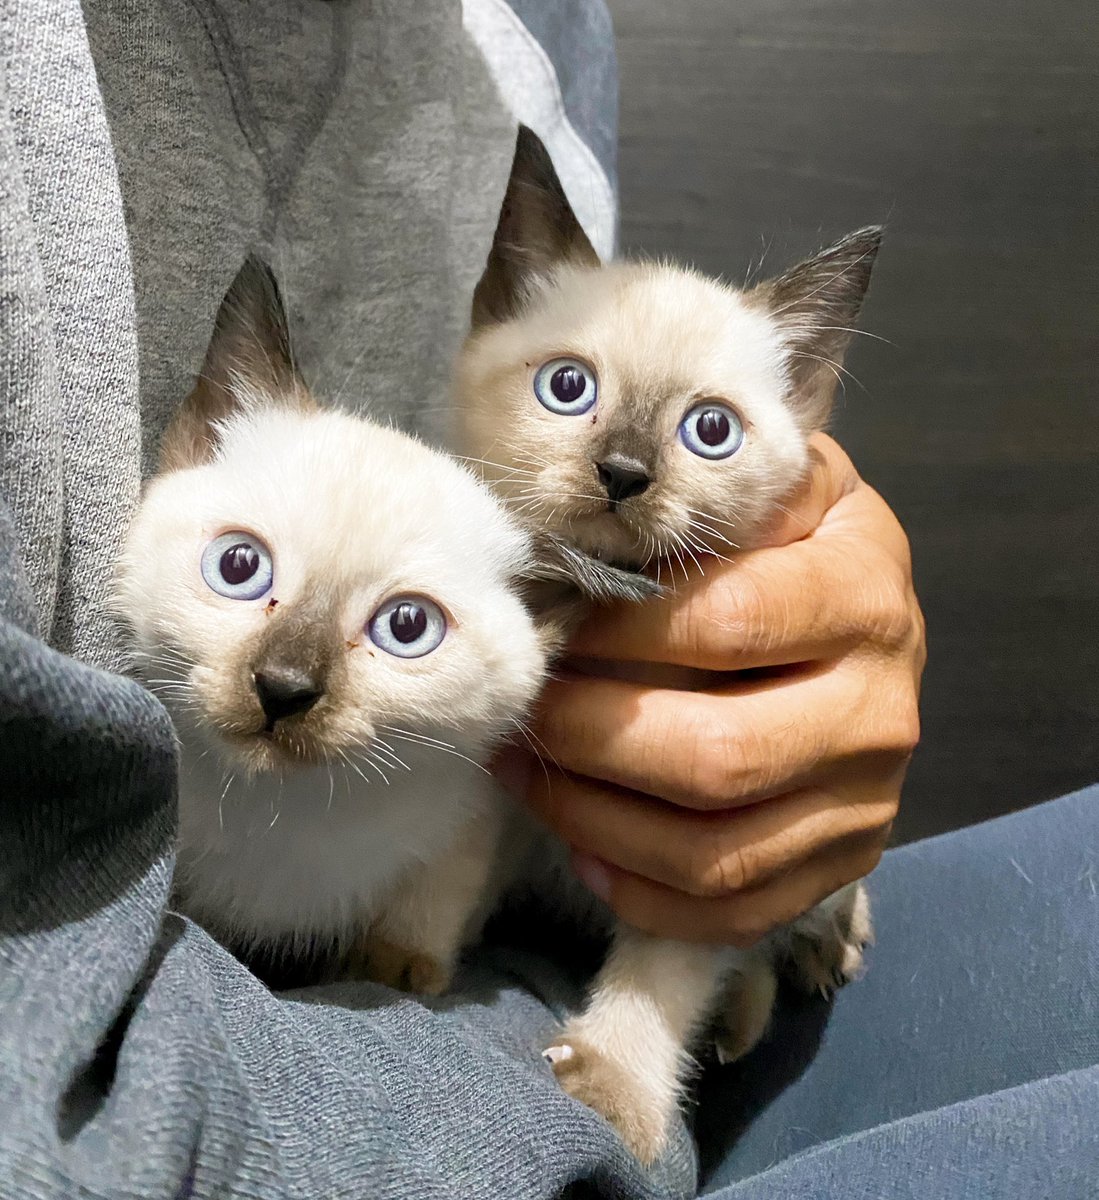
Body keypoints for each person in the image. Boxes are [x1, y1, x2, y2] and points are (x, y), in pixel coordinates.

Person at [0, 3, 1094, 1198]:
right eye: (570, 386)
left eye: (707, 431)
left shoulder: (536, 41)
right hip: (420, 1091)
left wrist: (818, 712)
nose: (625, 468)